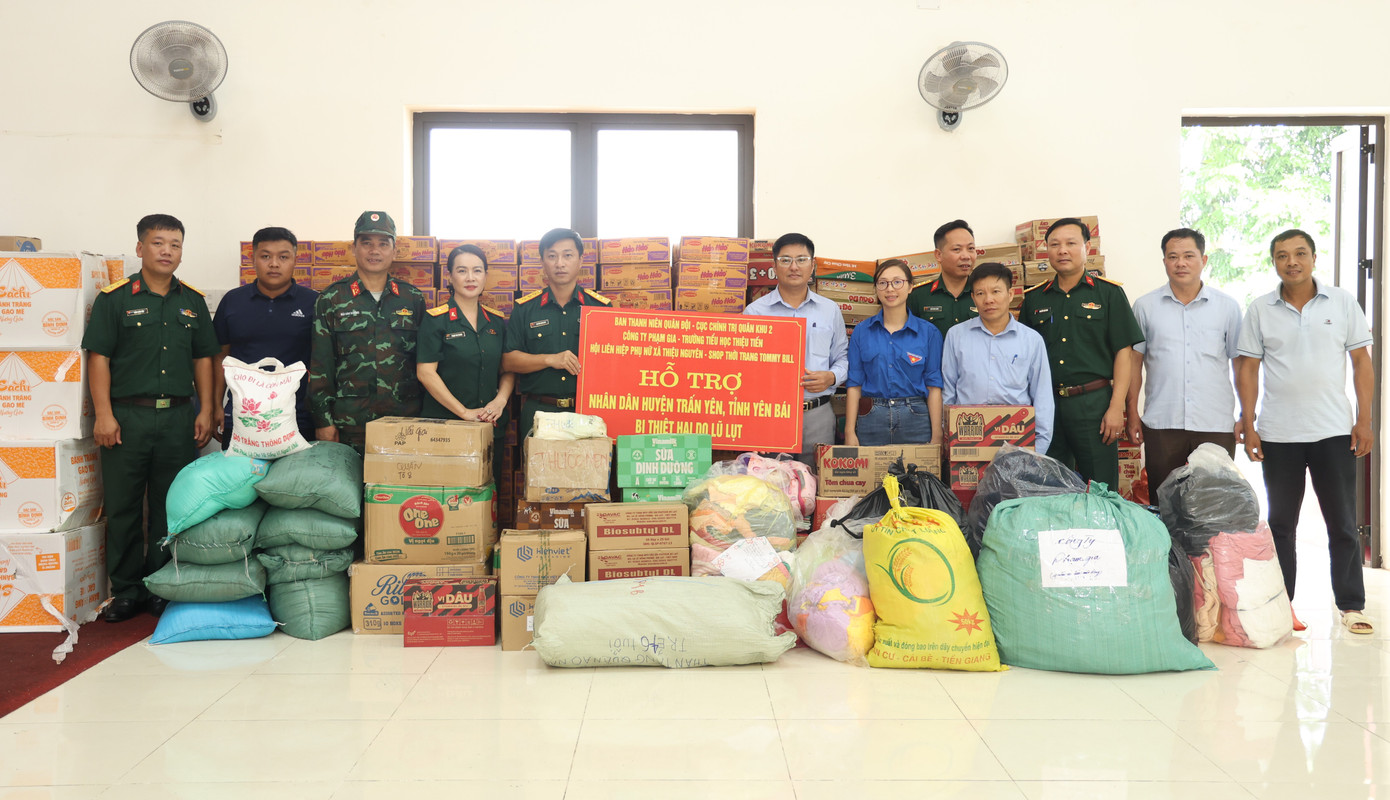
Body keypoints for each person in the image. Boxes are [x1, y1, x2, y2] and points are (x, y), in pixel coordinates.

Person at [1236, 228, 1374, 635]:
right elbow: (1248, 368)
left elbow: (1361, 363)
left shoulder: (1342, 303)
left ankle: (1351, 605)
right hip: (1279, 433)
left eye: (1300, 254)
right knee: (1281, 525)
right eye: (1282, 255)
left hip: (1333, 430)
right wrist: (1249, 423)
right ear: (1274, 262)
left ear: (1314, 258)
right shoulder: (1260, 309)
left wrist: (1364, 420)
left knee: (1343, 523)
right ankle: (1282, 607)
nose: (1292, 262)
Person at [82, 214, 218, 622]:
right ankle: (126, 591)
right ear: (141, 248)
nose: (167, 252)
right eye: (158, 243)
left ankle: (161, 585)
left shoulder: (192, 301)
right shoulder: (115, 299)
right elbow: (99, 358)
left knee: (170, 506)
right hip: (127, 417)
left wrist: (205, 409)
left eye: (175, 245)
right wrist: (104, 415)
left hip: (177, 417)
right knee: (123, 506)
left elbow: (203, 359)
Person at [1020, 217, 1143, 487]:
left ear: (1087, 248)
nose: (1062, 250)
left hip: (1094, 405)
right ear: (1047, 250)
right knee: (1048, 486)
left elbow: (1124, 354)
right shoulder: (1034, 298)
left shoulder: (1109, 294)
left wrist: (1117, 408)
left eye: (1071, 243)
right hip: (1047, 405)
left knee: (1100, 487)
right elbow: (1024, 356)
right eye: (1055, 244)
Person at [1125, 228, 1241, 490]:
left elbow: (1240, 364)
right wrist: (1132, 414)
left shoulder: (1227, 307)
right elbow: (1134, 364)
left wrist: (1246, 414)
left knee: (1215, 503)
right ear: (1164, 261)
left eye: (1189, 256)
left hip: (1215, 423)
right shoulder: (1145, 306)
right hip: (1162, 423)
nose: (1181, 263)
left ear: (1204, 260)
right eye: (1173, 257)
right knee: (1163, 501)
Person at [307, 211, 425, 453]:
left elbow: (424, 362)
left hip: (404, 421)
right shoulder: (331, 298)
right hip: (349, 423)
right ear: (354, 248)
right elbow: (321, 366)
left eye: (383, 244)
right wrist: (323, 421)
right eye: (367, 243)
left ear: (395, 251)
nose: (375, 251)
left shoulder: (412, 298)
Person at [743, 232, 848, 465]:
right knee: (771, 483)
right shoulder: (755, 312)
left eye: (801, 259)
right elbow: (745, 370)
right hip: (769, 415)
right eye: (785, 260)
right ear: (774, 266)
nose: (794, 267)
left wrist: (831, 377)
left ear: (813, 265)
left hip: (818, 414)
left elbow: (842, 357)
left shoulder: (829, 310)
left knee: (817, 480)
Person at [212, 226, 318, 449]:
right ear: (253, 260)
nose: (274, 264)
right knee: (239, 472)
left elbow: (323, 363)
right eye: (266, 256)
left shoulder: (314, 303)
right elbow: (220, 357)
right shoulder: (232, 302)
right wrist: (216, 406)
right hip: (242, 417)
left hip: (297, 418)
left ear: (295, 260)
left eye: (283, 257)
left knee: (294, 473)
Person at [418, 243, 516, 481]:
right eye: (462, 271)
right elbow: (425, 372)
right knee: (448, 496)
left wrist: (500, 401)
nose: (470, 278)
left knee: (488, 494)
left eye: (477, 270)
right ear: (450, 277)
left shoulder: (496, 322)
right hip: (446, 429)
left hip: (489, 427)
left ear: (485, 276)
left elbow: (507, 368)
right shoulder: (436, 320)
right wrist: (464, 413)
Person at [502, 228, 611, 442]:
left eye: (567, 255)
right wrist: (549, 359)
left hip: (587, 414)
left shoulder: (600, 308)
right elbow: (508, 361)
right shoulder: (525, 309)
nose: (560, 263)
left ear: (580, 260)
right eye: (552, 256)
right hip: (539, 413)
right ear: (543, 262)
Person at [942, 262, 1054, 454]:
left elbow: (1042, 395)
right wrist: (948, 436)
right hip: (968, 437)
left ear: (1010, 294)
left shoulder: (1031, 340)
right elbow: (948, 390)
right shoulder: (956, 335)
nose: (988, 300)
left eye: (996, 291)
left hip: (1017, 437)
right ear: (973, 298)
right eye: (980, 293)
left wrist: (1038, 448)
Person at [844, 259, 943, 446]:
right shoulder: (862, 332)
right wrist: (849, 431)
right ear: (876, 289)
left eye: (897, 282)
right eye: (883, 283)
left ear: (910, 287)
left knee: (917, 467)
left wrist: (937, 434)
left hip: (916, 419)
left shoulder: (929, 333)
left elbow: (934, 386)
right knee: (870, 467)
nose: (890, 289)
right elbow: (855, 384)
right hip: (871, 418)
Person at [907, 219, 978, 338]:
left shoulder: (983, 294)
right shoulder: (918, 296)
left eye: (971, 248)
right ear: (938, 255)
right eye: (957, 249)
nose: (966, 256)